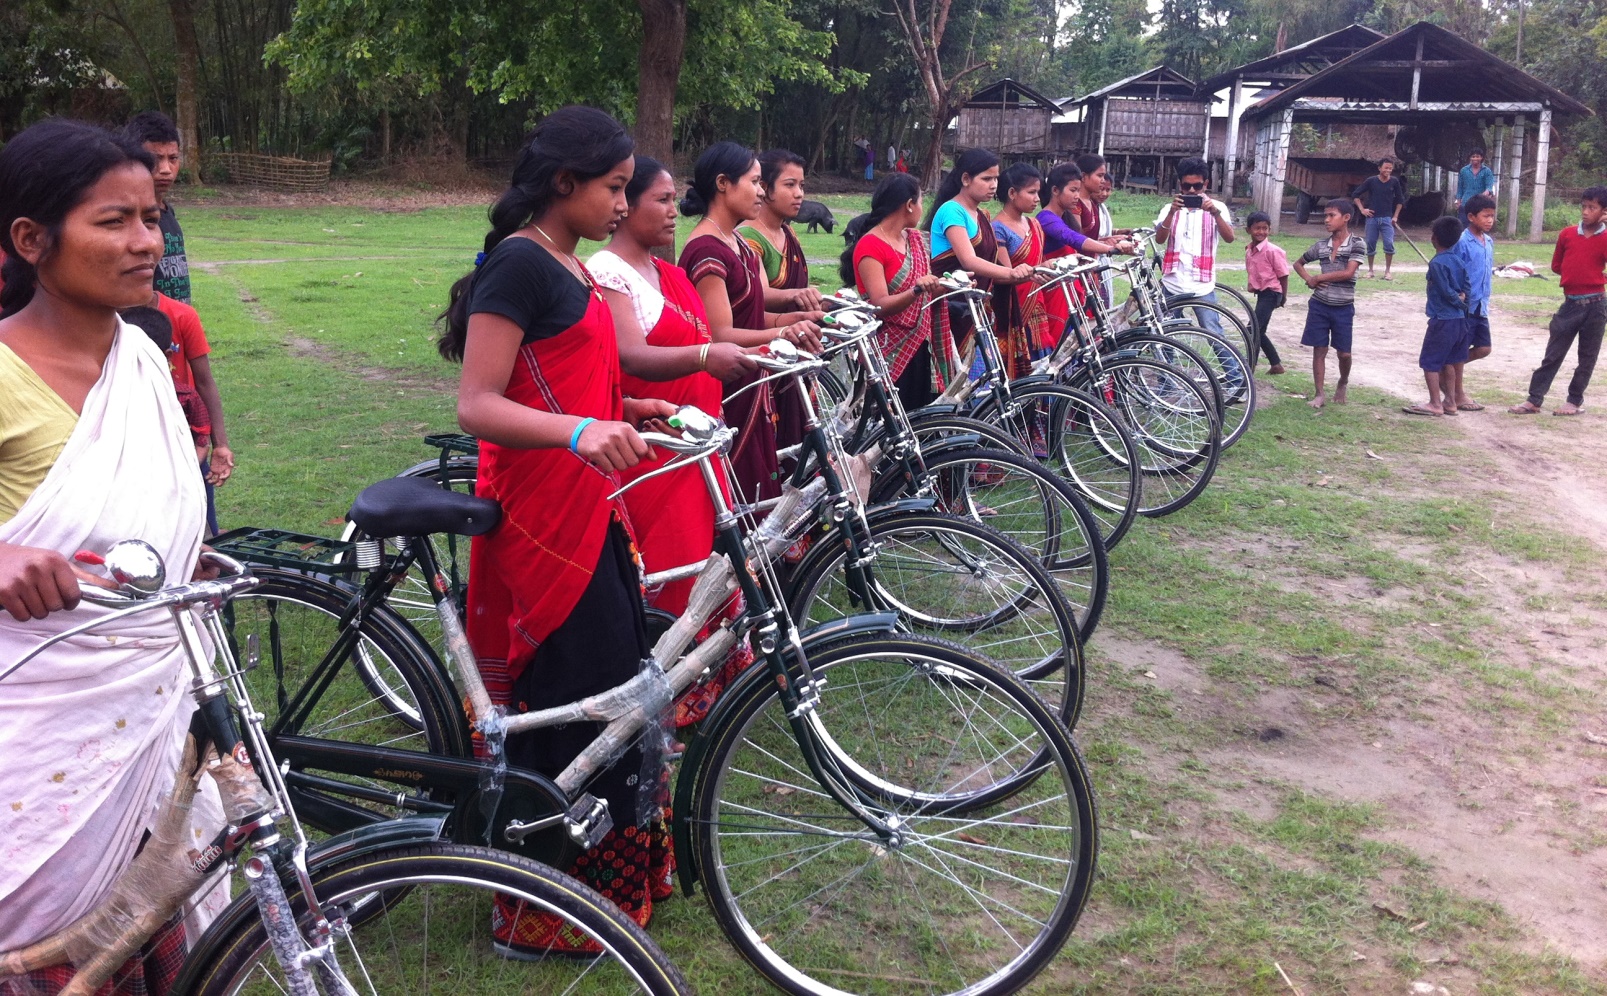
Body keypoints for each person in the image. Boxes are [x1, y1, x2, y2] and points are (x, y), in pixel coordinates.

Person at [439, 106, 677, 953]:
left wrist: (628, 408)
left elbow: (569, 382)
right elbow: (478, 404)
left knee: (618, 691)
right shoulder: (519, 267)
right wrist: (580, 431)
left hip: (593, 505)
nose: (624, 202)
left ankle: (610, 890)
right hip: (542, 516)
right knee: (571, 704)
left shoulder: (571, 268)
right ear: (563, 184)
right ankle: (540, 912)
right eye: (614, 187)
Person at [0, 118, 224, 976]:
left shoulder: (141, 356)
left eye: (151, 218)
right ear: (31, 239)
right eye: (113, 222)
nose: (145, 243)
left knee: (152, 942)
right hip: (40, 737)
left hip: (158, 704)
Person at [589, 155, 759, 726]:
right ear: (624, 206)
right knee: (670, 570)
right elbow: (631, 355)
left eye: (671, 199)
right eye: (658, 200)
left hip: (694, 446)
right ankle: (670, 694)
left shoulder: (669, 272)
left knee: (707, 561)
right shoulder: (610, 271)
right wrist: (708, 355)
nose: (672, 211)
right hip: (652, 454)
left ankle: (710, 678)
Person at [678, 141, 820, 504]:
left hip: (754, 377)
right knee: (738, 493)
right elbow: (721, 334)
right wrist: (781, 332)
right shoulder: (706, 250)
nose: (761, 192)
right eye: (755, 182)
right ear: (723, 184)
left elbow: (757, 314)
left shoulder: (738, 244)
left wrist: (797, 318)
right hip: (730, 388)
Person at [842, 172, 954, 410]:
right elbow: (879, 304)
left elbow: (926, 289)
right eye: (921, 201)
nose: (922, 208)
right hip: (888, 351)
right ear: (909, 205)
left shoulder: (915, 239)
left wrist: (950, 286)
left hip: (922, 348)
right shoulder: (871, 245)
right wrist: (916, 290)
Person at [924, 148, 1032, 361]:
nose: (993, 185)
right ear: (966, 179)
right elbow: (968, 260)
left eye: (996, 179)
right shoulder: (952, 211)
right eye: (986, 178)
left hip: (975, 308)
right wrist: (1010, 273)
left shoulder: (981, 214)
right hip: (951, 309)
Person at [1509, 186, 1607, 416]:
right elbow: (1556, 266)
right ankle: (1534, 399)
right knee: (1553, 354)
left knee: (1587, 357)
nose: (1585, 212)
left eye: (1592, 208)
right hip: (1571, 304)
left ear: (1604, 211)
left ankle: (1574, 401)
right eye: (1583, 206)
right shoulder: (1567, 234)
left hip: (1597, 305)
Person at [1035, 162, 1132, 348]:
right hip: (1056, 291)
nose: (1077, 196)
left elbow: (1079, 240)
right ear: (1055, 190)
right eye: (1072, 190)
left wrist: (1108, 242)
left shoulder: (1065, 217)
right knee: (1063, 344)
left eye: (1078, 190)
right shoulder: (1046, 218)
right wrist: (1111, 249)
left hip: (1070, 287)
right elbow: (1072, 238)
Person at [1292, 199, 1365, 409]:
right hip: (1319, 305)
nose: (1326, 220)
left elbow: (1348, 273)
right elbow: (1298, 263)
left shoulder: (1357, 243)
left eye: (1331, 215)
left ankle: (1343, 381)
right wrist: (1308, 279)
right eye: (1325, 215)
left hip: (1343, 307)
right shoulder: (1321, 246)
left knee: (1344, 353)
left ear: (1346, 218)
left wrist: (1319, 279)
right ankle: (1320, 393)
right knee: (1319, 350)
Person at [737, 148, 825, 313]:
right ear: (764, 187)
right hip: (767, 336)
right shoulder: (748, 237)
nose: (799, 194)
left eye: (801, 185)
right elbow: (758, 294)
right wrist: (796, 295)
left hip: (801, 332)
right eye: (790, 185)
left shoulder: (788, 232)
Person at [1154, 157, 1235, 334]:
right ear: (1179, 184)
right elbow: (1160, 239)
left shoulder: (1218, 207)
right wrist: (1171, 213)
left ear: (1206, 184)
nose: (1191, 191)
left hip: (1202, 285)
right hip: (1172, 284)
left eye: (1197, 186)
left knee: (1214, 333)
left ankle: (1234, 364)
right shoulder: (1169, 208)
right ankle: (1165, 363)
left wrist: (1215, 213)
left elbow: (1230, 237)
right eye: (1186, 186)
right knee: (1165, 334)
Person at [121, 303, 213, 458]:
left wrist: (188, 473)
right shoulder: (113, 394)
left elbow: (202, 439)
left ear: (168, 357)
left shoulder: (185, 396)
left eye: (145, 358)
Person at [1404, 217, 1473, 417]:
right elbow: (1466, 287)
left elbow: (1445, 291)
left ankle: (1435, 403)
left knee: (1429, 362)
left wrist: (1459, 302)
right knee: (1448, 362)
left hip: (1443, 319)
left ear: (1434, 238)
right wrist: (1464, 304)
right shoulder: (1459, 260)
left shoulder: (1437, 263)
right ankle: (1450, 402)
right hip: (1459, 320)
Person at [990, 163, 1053, 377]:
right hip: (1014, 308)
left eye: (1038, 192)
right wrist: (1037, 270)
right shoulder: (998, 228)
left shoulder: (1034, 224)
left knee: (1043, 363)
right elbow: (1007, 273)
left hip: (1038, 306)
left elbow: (1038, 261)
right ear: (1012, 193)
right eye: (1032, 192)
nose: (1037, 198)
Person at [124, 111, 190, 304]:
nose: (166, 169)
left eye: (173, 158)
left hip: (177, 325)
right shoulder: (130, 218)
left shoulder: (168, 212)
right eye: (156, 159)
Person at [1449, 192, 1497, 411]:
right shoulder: (1462, 241)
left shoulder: (1488, 241)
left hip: (1481, 305)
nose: (1489, 220)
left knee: (1484, 348)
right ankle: (1458, 394)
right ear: (1471, 216)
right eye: (1485, 216)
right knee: (1459, 349)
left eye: (1492, 216)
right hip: (1465, 305)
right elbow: (1452, 267)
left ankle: (1447, 366)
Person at [1243, 210, 1289, 375]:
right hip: (1262, 294)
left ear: (1269, 229)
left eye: (1265, 228)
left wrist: (1283, 296)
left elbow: (1283, 275)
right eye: (1257, 228)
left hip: (1272, 293)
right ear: (1248, 230)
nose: (1261, 232)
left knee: (1252, 330)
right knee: (1259, 331)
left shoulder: (1272, 250)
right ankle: (1276, 364)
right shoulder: (1250, 250)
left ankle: (1249, 369)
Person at [1351, 158, 1406, 280]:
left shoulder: (1394, 182)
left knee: (1389, 244)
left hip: (1387, 219)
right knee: (1370, 243)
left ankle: (1387, 272)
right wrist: (1362, 210)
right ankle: (1370, 271)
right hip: (1372, 219)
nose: (1388, 170)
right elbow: (1355, 195)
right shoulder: (1371, 181)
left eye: (1390, 168)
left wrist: (1395, 216)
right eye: (1386, 168)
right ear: (1379, 168)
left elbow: (1400, 201)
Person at [1455, 149, 1497, 227]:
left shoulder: (1487, 171)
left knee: (1479, 227)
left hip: (1480, 205)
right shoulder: (1464, 171)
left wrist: (1487, 192)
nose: (1475, 159)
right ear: (1470, 158)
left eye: (1477, 156)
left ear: (1481, 158)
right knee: (1463, 227)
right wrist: (1458, 200)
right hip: (1465, 203)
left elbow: (1489, 186)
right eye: (1473, 156)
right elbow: (1460, 187)